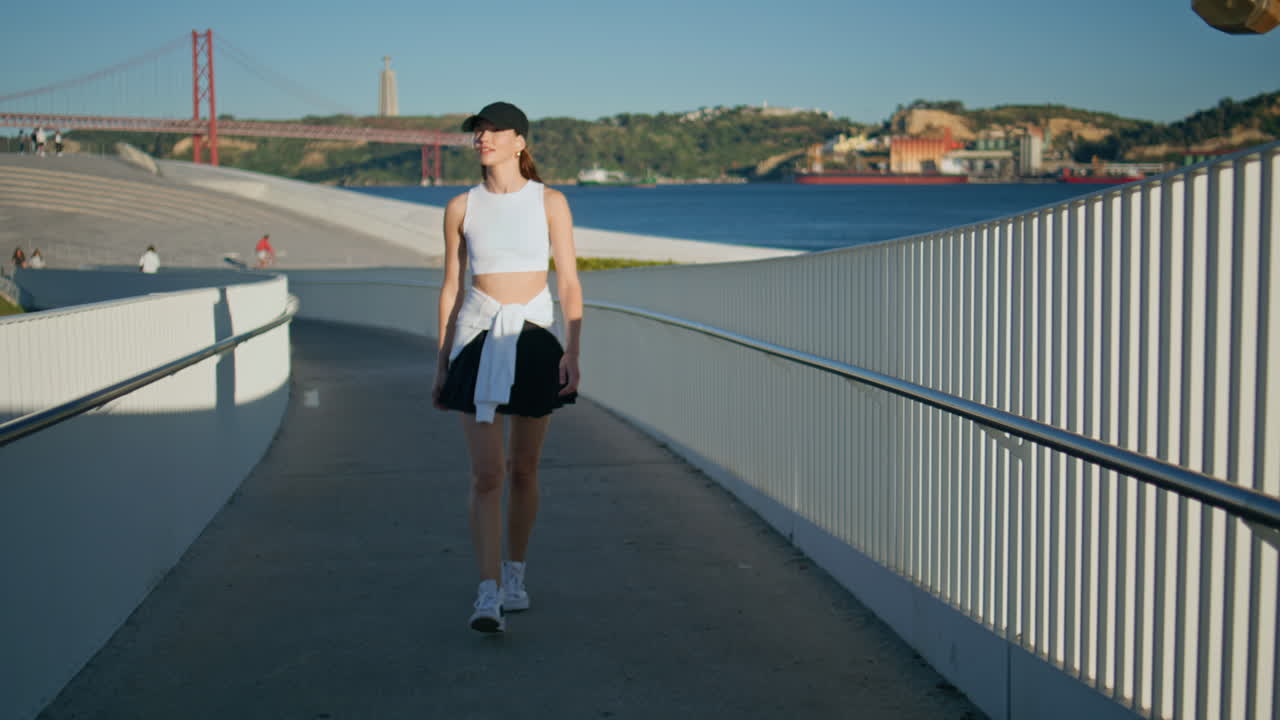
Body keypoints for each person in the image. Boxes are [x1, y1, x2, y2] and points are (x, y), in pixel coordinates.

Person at [432, 101, 583, 634]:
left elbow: (567, 282)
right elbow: (451, 287)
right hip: (475, 338)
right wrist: (442, 360)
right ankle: (488, 591)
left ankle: (515, 578)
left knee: (523, 470)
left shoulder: (551, 203)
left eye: (495, 130)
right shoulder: (459, 207)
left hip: (536, 337)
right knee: (487, 474)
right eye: (478, 131)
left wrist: (573, 351)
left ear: (520, 141)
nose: (484, 138)